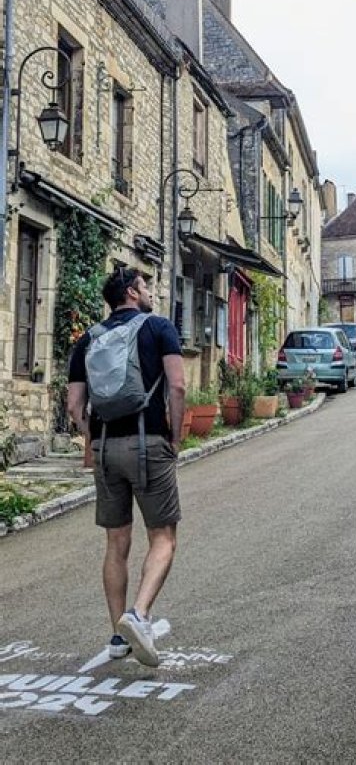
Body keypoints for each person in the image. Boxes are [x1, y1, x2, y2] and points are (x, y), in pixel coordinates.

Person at [67, 267, 186, 667]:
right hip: (148, 443)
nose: (150, 291)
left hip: (105, 448)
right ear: (133, 292)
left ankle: (118, 636)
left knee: (116, 543)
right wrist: (174, 438)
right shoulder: (159, 328)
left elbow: (74, 405)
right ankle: (138, 614)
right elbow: (177, 386)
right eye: (146, 285)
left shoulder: (89, 339)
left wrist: (93, 440)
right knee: (163, 537)